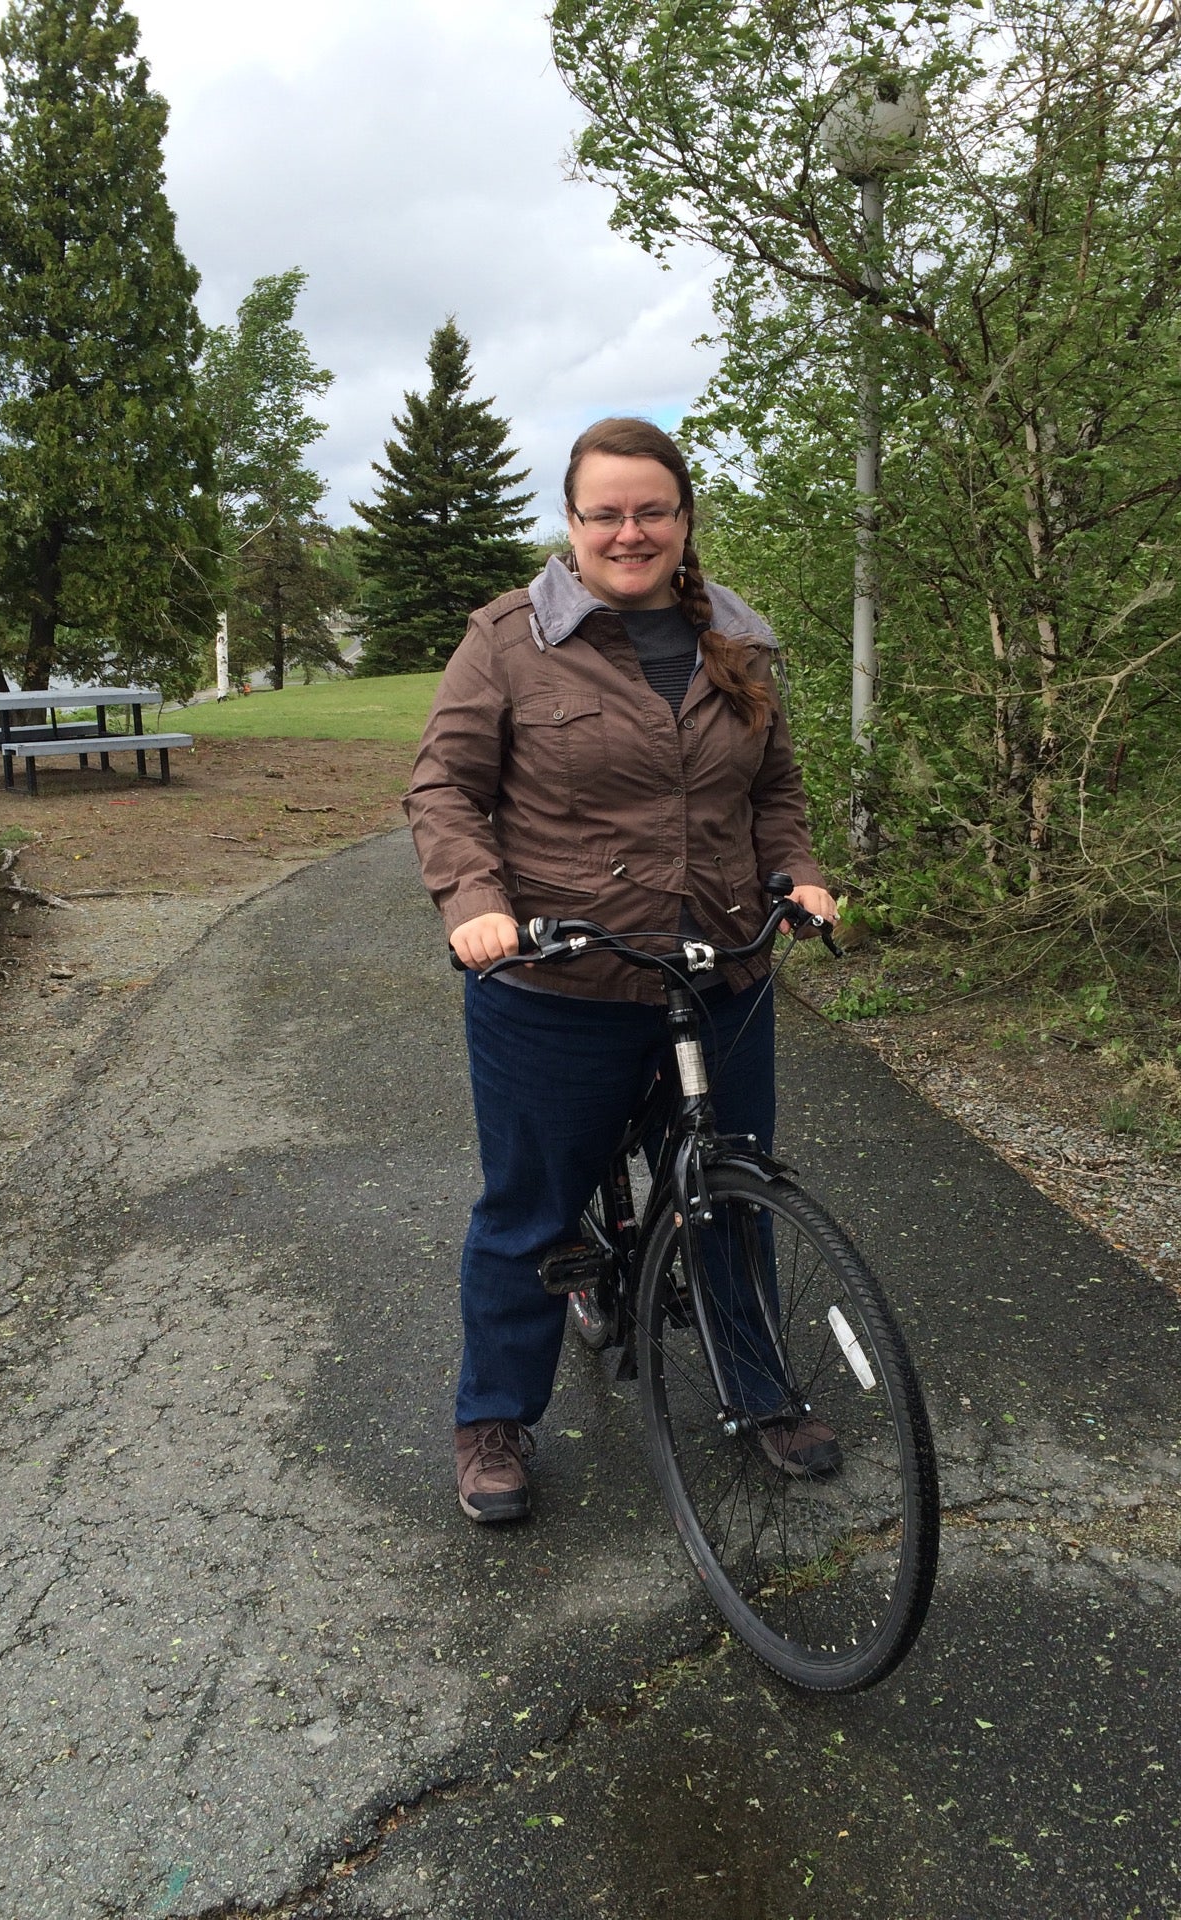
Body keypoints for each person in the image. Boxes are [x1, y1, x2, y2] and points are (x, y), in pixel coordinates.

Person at [404, 417, 838, 1523]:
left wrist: (798, 872)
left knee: (732, 1192)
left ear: (686, 520)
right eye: (607, 512)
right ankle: (494, 1417)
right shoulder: (506, 640)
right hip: (560, 983)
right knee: (530, 1213)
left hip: (721, 977)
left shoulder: (740, 643)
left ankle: (759, 1389)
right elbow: (444, 790)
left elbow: (773, 791)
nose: (630, 531)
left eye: (653, 509)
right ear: (574, 522)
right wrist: (478, 905)